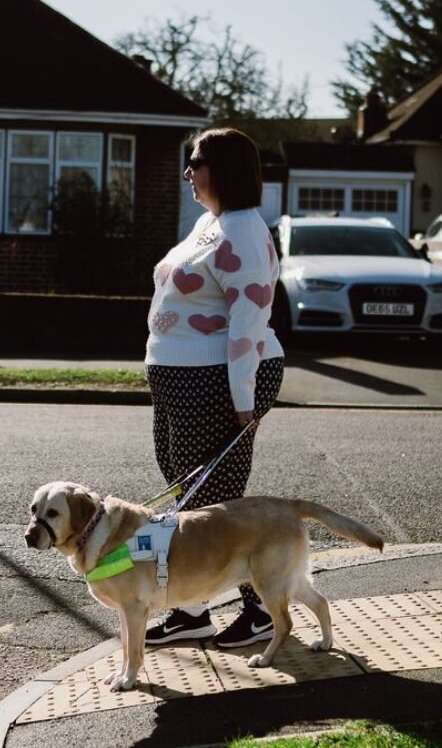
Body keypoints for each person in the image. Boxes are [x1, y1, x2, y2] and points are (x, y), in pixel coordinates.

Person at [141, 126, 285, 649]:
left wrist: (243, 405)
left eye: (196, 163)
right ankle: (192, 609)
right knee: (187, 493)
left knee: (216, 502)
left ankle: (264, 611)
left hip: (218, 382)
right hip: (182, 380)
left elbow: (249, 323)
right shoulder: (211, 223)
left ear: (221, 168)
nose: (187, 173)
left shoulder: (244, 231)